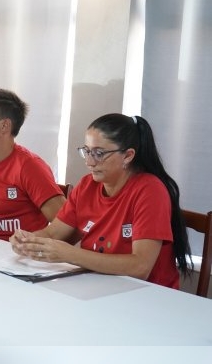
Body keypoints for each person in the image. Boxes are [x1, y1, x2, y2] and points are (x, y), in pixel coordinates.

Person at [10, 113, 192, 289]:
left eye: (99, 153)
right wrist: (27, 240)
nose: (89, 162)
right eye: (87, 151)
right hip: (98, 286)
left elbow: (140, 267)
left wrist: (70, 254)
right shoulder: (87, 185)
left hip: (146, 295)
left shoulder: (150, 190)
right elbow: (53, 233)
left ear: (128, 156)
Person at [0, 88, 65, 240]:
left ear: (4, 126)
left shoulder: (30, 167)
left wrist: (32, 243)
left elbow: (68, 226)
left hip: (20, 253)